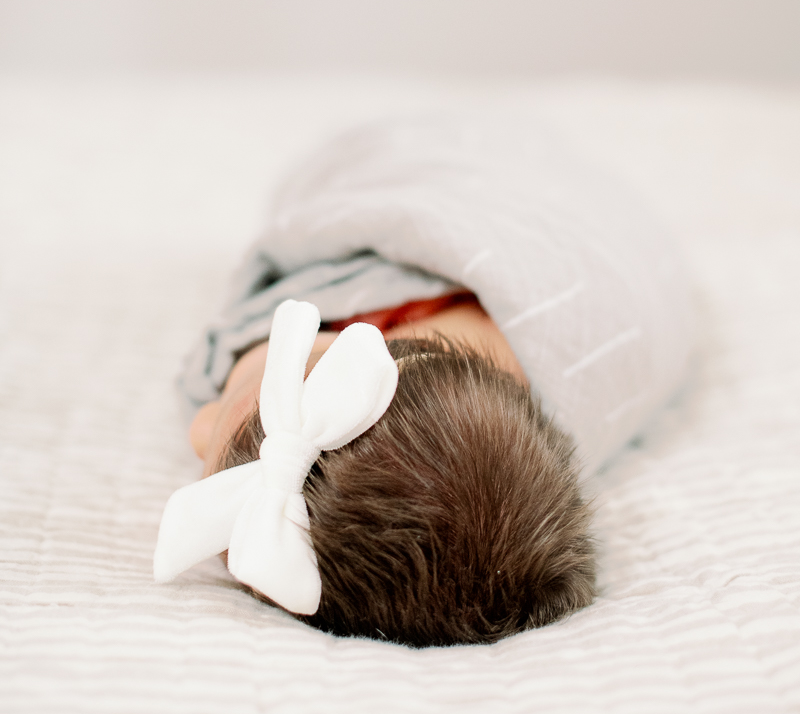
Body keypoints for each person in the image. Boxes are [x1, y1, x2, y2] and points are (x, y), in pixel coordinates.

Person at [155, 112, 694, 647]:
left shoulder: (537, 423)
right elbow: (293, 243)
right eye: (226, 404)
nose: (198, 425)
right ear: (377, 322)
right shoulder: (392, 256)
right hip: (484, 172)